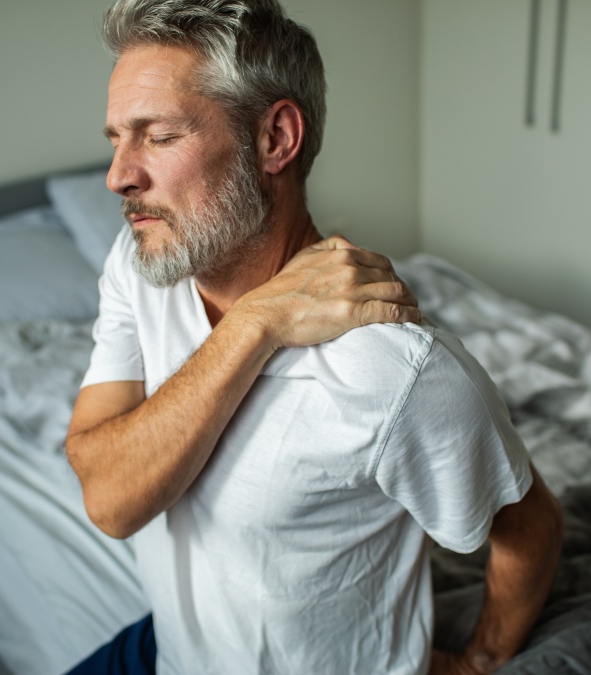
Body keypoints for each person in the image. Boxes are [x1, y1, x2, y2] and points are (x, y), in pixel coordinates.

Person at [65, 1, 563, 673]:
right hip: (166, 651)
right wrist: (256, 321)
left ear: (275, 138)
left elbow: (529, 528)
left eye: (155, 136)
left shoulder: (396, 368)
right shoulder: (140, 265)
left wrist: (482, 658)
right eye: (117, 138)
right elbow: (110, 497)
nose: (119, 175)